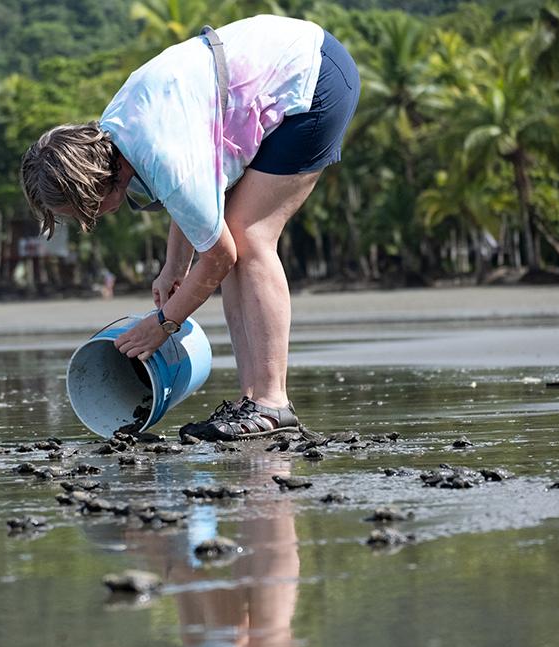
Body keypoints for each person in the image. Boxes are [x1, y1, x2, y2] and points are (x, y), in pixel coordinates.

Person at [21, 15, 360, 441]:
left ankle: (272, 403)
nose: (90, 218)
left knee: (250, 239)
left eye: (81, 208)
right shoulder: (119, 133)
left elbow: (219, 253)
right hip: (279, 66)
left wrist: (162, 324)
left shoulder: (160, 154)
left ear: (94, 184)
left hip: (314, 77)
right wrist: (173, 266)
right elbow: (203, 191)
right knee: (235, 233)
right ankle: (253, 398)